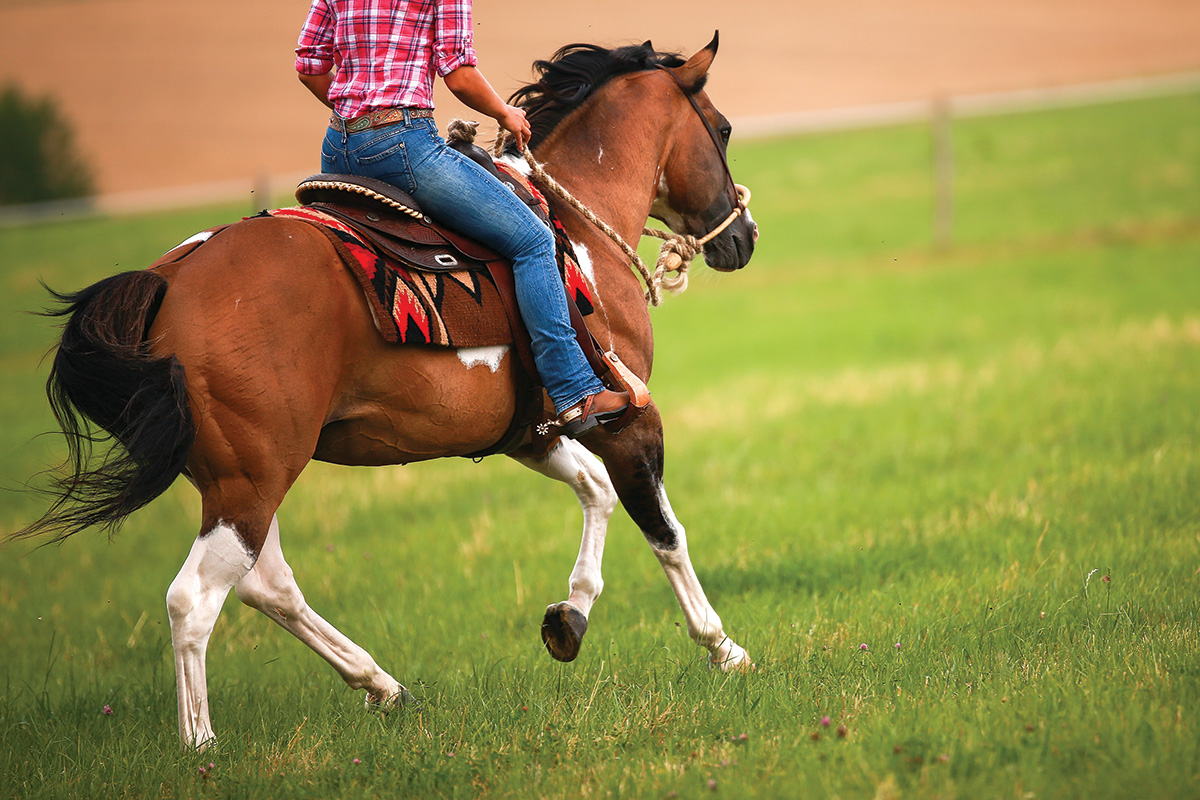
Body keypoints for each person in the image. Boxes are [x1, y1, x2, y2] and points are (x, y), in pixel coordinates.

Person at [294, 0, 628, 437]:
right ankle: (573, 391)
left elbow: (309, 64)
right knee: (531, 240)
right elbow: (459, 74)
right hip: (404, 146)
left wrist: (358, 113)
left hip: (337, 147)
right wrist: (506, 114)